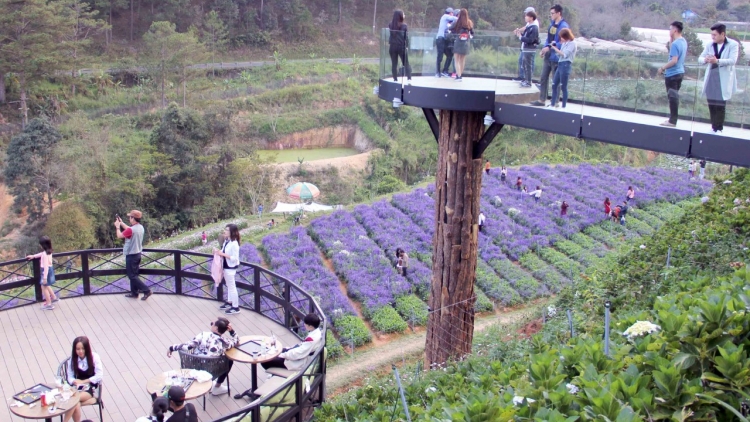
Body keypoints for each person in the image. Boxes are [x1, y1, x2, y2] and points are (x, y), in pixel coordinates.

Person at [167, 317, 238, 396]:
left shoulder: (203, 335)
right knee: (229, 360)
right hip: (212, 370)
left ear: (216, 328)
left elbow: (188, 346)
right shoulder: (225, 342)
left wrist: (172, 348)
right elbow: (236, 340)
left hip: (194, 367)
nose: (211, 324)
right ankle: (217, 387)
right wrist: (231, 331)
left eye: (212, 324)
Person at [699, 23, 739, 133]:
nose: (713, 37)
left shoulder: (733, 44)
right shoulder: (710, 45)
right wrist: (705, 59)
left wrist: (717, 61)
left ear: (722, 34)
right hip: (711, 78)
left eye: (715, 35)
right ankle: (713, 127)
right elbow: (700, 58)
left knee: (720, 104)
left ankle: (719, 127)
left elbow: (732, 60)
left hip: (723, 79)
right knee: (711, 103)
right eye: (712, 35)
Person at [530, 5, 569, 106]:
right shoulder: (551, 25)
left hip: (557, 57)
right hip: (548, 56)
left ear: (558, 13)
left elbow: (563, 42)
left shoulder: (564, 26)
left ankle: (555, 101)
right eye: (550, 13)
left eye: (552, 13)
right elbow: (549, 38)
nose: (551, 15)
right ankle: (542, 99)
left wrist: (551, 47)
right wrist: (544, 49)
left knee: (555, 80)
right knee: (543, 77)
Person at [63, 336, 103, 422]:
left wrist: (84, 381)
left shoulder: (94, 357)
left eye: (83, 348)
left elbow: (99, 375)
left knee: (73, 400)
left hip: (90, 387)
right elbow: (69, 376)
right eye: (78, 349)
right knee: (76, 403)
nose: (80, 351)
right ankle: (89, 401)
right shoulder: (72, 360)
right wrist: (74, 381)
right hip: (77, 388)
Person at [117, 210, 152, 300]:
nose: (129, 218)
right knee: (134, 275)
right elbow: (129, 229)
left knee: (131, 276)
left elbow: (120, 235)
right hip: (138, 254)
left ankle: (147, 290)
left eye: (130, 217)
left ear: (133, 218)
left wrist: (117, 227)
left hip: (131, 255)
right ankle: (134, 293)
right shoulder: (140, 227)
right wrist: (121, 223)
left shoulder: (131, 230)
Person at [658, 21, 687, 127]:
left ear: (675, 30)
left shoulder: (675, 44)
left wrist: (662, 68)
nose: (669, 31)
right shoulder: (683, 41)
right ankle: (672, 118)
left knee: (672, 98)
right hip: (680, 73)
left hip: (672, 74)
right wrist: (671, 40)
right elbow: (675, 54)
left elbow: (674, 60)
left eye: (670, 29)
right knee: (674, 96)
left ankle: (672, 120)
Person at [26, 236, 59, 310]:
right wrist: (34, 256)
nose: (39, 245)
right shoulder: (49, 251)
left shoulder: (44, 254)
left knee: (43, 287)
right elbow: (42, 254)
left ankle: (49, 304)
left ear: (43, 245)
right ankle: (53, 297)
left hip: (45, 271)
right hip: (49, 270)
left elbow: (46, 266)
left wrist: (44, 277)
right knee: (46, 286)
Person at [214, 224, 241, 315]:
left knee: (232, 287)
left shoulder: (234, 244)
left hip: (230, 268)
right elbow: (224, 251)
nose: (225, 231)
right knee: (229, 286)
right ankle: (230, 302)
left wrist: (222, 254)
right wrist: (218, 252)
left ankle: (236, 307)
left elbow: (235, 258)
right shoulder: (227, 241)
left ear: (232, 232)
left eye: (227, 230)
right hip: (225, 267)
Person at [549, 28, 577, 109]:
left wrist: (555, 48)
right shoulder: (564, 43)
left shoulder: (572, 43)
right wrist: (555, 47)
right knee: (554, 85)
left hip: (566, 64)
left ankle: (564, 106)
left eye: (562, 37)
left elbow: (564, 55)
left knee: (563, 86)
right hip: (560, 63)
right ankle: (552, 104)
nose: (561, 39)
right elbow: (559, 54)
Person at [513, 7, 538, 82]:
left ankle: (527, 80)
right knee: (522, 62)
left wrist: (520, 37)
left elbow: (531, 39)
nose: (525, 16)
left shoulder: (534, 26)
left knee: (528, 64)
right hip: (525, 47)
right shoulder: (529, 25)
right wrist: (519, 32)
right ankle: (523, 78)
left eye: (527, 15)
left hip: (529, 49)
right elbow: (526, 32)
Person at [388, 10, 412, 83]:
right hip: (401, 47)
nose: (404, 15)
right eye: (403, 14)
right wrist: (407, 46)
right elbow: (406, 37)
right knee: (406, 63)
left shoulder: (390, 24)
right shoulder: (404, 26)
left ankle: (395, 79)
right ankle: (409, 79)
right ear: (400, 16)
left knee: (394, 64)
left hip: (392, 46)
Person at [451, 8, 474, 82]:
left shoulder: (457, 22)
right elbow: (472, 33)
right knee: (462, 60)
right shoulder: (469, 22)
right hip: (466, 43)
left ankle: (458, 76)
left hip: (458, 42)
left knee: (456, 60)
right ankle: (460, 74)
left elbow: (451, 29)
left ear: (460, 14)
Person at [435, 7, 457, 77]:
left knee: (450, 55)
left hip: (445, 40)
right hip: (440, 39)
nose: (452, 14)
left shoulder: (448, 21)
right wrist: (461, 18)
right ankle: (437, 72)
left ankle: (445, 70)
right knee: (440, 56)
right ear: (450, 13)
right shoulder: (444, 17)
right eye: (452, 13)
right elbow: (454, 18)